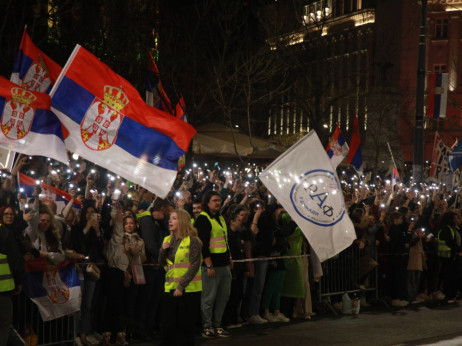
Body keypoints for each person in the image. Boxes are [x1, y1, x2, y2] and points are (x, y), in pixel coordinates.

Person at [158, 208, 202, 346]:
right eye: (170, 218)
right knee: (168, 326)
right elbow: (162, 264)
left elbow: (195, 265)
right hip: (169, 289)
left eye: (174, 218)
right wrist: (162, 250)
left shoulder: (193, 241)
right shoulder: (167, 239)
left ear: (182, 221)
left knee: (185, 327)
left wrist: (181, 286)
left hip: (188, 290)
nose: (170, 221)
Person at [195, 191, 232, 338]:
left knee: (223, 297)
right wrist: (209, 265)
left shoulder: (220, 218)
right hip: (211, 266)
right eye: (214, 200)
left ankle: (218, 325)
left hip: (224, 264)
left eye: (219, 200)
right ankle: (207, 327)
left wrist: (229, 258)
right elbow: (202, 245)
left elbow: (224, 240)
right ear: (207, 202)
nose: (218, 202)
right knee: (208, 298)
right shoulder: (202, 219)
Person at [0, 215, 24, 346]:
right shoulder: (4, 233)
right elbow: (16, 260)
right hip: (3, 290)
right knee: (3, 327)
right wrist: (19, 281)